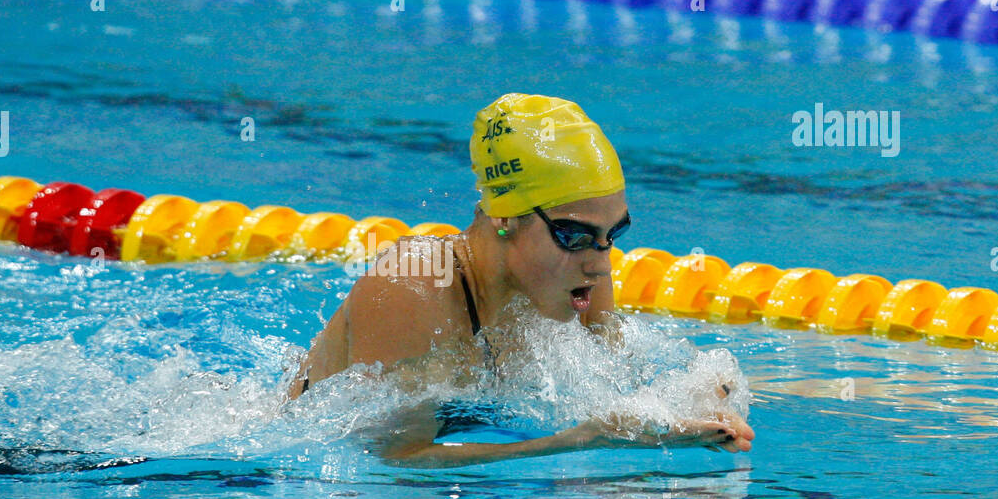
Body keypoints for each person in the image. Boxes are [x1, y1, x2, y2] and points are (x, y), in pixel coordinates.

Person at [287, 93, 755, 466]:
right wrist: (581, 442)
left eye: (613, 235)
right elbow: (391, 459)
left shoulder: (581, 274)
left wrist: (693, 405)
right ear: (504, 217)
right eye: (573, 235)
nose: (601, 263)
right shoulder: (410, 284)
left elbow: (623, 383)